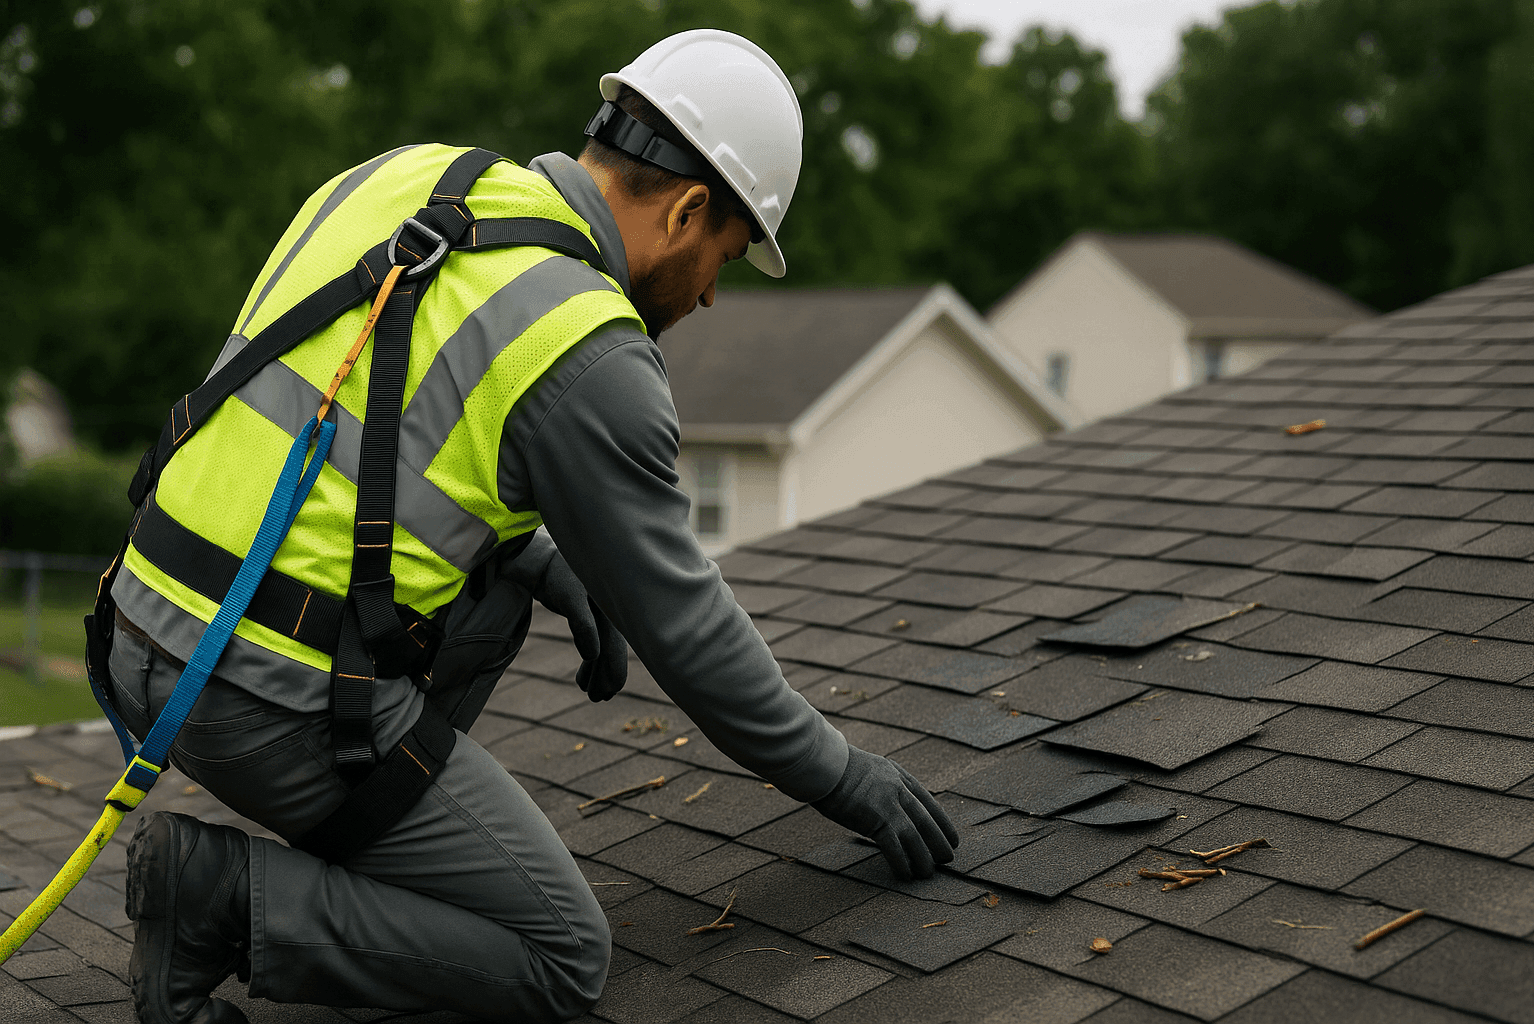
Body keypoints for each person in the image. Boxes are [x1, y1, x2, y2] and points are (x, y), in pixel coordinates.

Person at [109, 29, 958, 1024]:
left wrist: (549, 562)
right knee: (559, 954)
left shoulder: (409, 176)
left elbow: (367, 442)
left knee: (502, 591)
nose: (714, 292)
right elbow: (688, 632)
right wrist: (846, 778)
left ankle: (363, 862)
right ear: (686, 210)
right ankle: (221, 896)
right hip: (261, 702)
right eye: (724, 255)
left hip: (140, 632)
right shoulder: (591, 345)